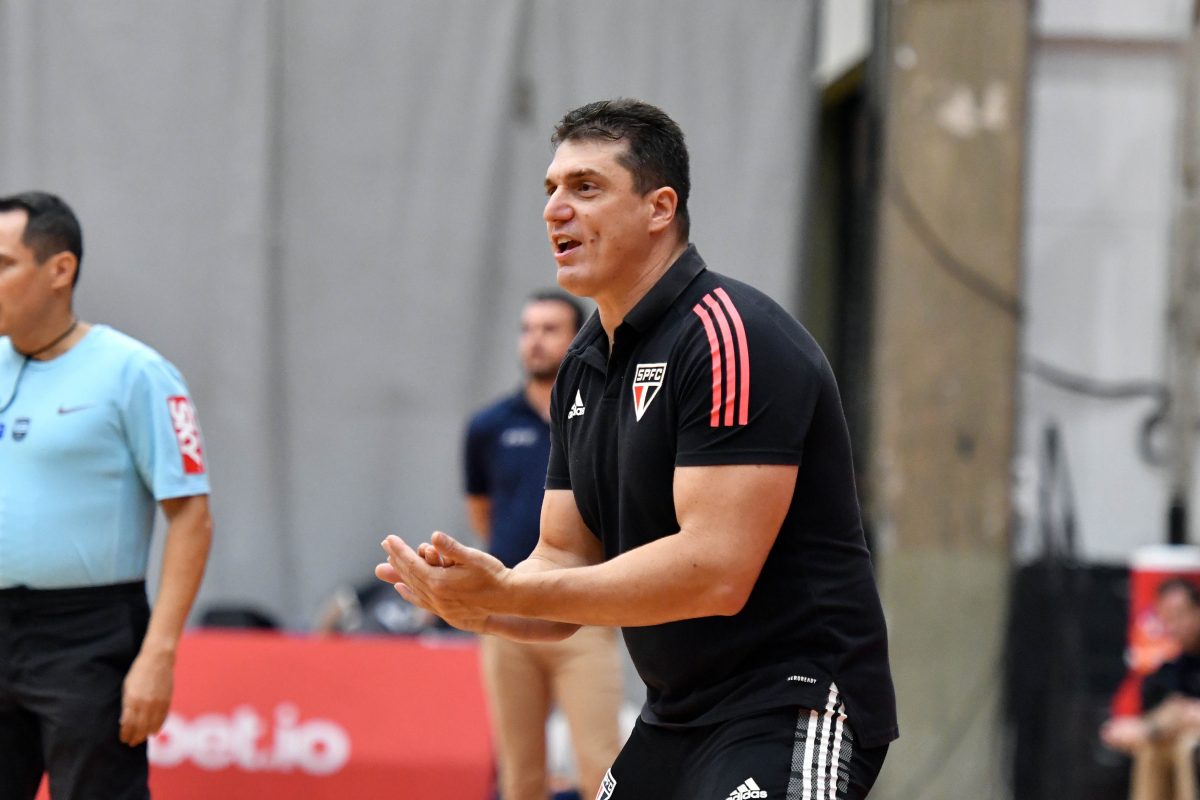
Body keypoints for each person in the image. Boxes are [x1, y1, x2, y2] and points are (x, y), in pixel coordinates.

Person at [376, 98, 898, 799]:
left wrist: (513, 589)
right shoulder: (583, 363)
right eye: (551, 189)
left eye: (586, 186)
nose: (555, 209)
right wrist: (479, 603)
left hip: (792, 700)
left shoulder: (730, 336)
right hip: (676, 712)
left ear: (659, 208)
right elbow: (563, 558)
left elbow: (716, 571)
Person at [0, 191, 213, 799]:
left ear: (59, 270)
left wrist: (158, 655)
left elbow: (191, 516)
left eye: (3, 263)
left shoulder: (136, 373)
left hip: (88, 635)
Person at [463, 290, 623, 800]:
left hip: (584, 612)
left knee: (602, 765)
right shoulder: (488, 427)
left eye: (550, 329)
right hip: (508, 614)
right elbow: (482, 512)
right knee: (519, 774)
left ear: (577, 340)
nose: (535, 340)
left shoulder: (604, 416)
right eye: (528, 329)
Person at [1102, 578, 1200, 800]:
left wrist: (1146, 729)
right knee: (1152, 750)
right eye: (1167, 618)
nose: (1173, 626)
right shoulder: (1176, 668)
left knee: (1186, 746)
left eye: (1180, 615)